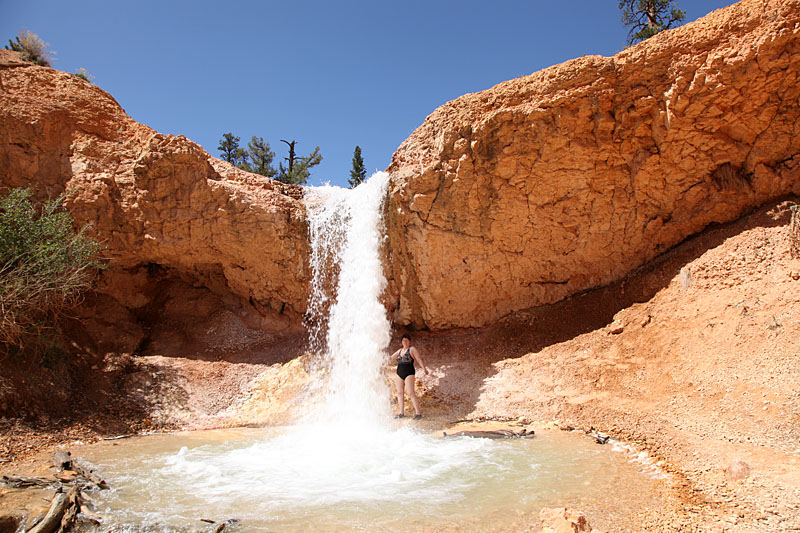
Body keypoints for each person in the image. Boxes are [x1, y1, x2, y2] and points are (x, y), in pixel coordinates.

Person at [389, 334, 429, 419]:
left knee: (411, 393)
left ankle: (418, 413)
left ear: (409, 341)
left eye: (407, 340)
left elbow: (418, 358)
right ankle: (401, 413)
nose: (405, 342)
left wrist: (424, 368)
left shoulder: (412, 349)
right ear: (401, 342)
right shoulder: (399, 351)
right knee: (400, 393)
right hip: (399, 373)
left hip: (409, 373)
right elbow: (391, 358)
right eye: (403, 340)